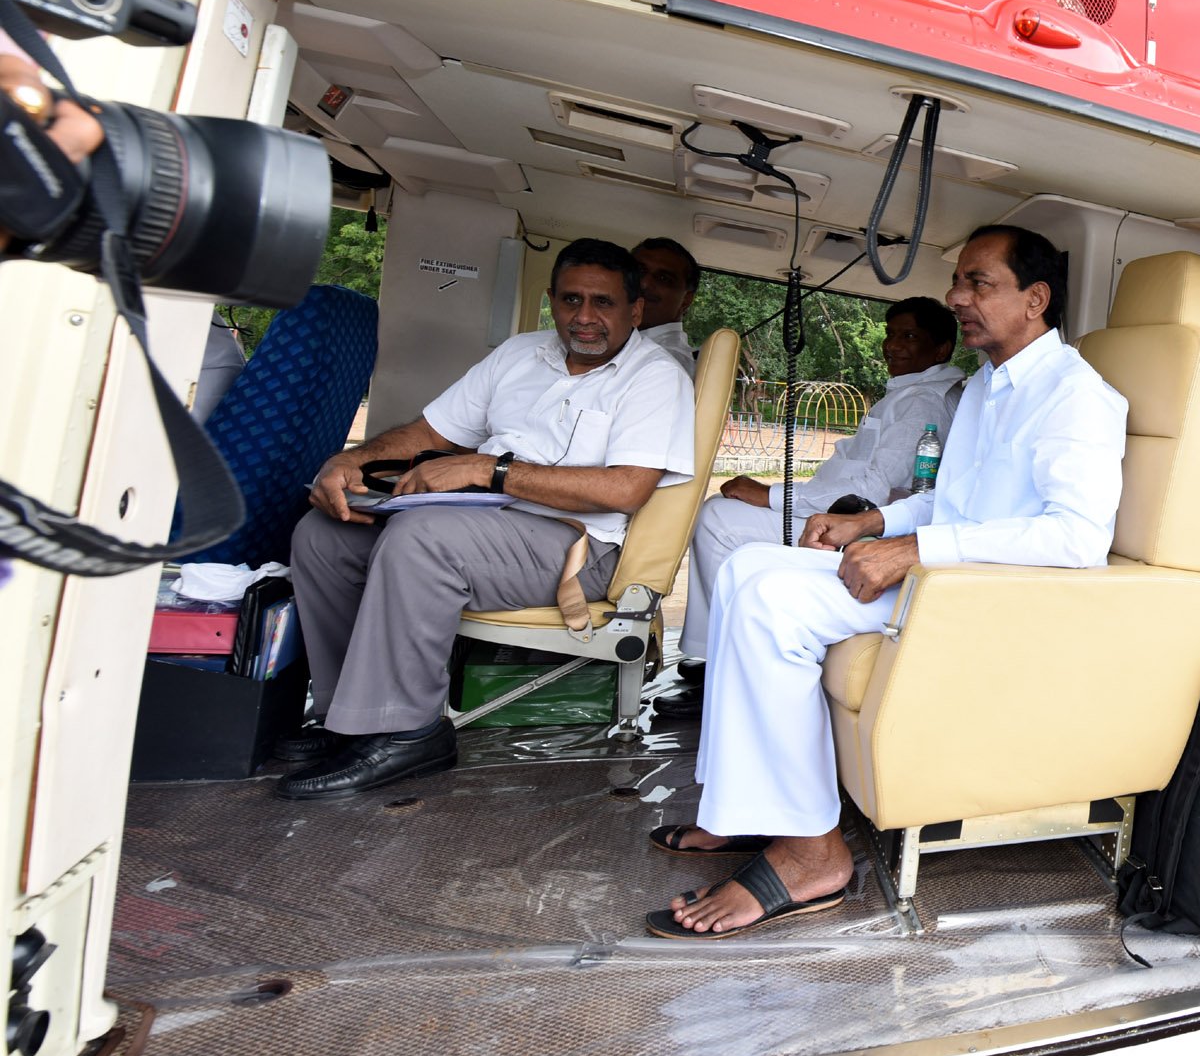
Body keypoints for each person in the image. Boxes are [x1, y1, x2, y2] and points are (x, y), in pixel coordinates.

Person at [645, 225, 1127, 939]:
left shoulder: (1075, 395)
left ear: (1036, 299)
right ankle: (744, 809)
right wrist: (869, 522)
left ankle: (813, 855)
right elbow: (950, 500)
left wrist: (911, 548)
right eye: (958, 281)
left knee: (775, 602)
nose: (956, 296)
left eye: (977, 283)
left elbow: (1077, 537)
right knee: (749, 567)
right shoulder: (990, 387)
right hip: (947, 574)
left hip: (992, 598)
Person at [281, 238, 695, 798]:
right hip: (482, 520)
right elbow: (431, 432)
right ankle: (347, 719)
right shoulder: (519, 354)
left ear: (635, 310)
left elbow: (625, 489)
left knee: (421, 539)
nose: (586, 317)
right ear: (551, 300)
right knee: (324, 534)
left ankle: (408, 731)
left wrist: (488, 470)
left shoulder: (654, 375)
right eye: (571, 300)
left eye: (604, 303)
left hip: (578, 544)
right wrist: (351, 460)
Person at [673, 296, 964, 693]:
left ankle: (722, 661)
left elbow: (873, 491)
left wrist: (773, 495)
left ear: (941, 348)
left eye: (909, 336)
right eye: (890, 334)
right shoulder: (908, 392)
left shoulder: (923, 401)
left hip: (859, 526)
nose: (893, 345)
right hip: (838, 510)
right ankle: (723, 654)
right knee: (722, 514)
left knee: (719, 519)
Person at [631, 236, 701, 375]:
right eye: (639, 271)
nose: (644, 283)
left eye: (663, 279)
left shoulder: (665, 363)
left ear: (686, 300)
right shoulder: (626, 344)